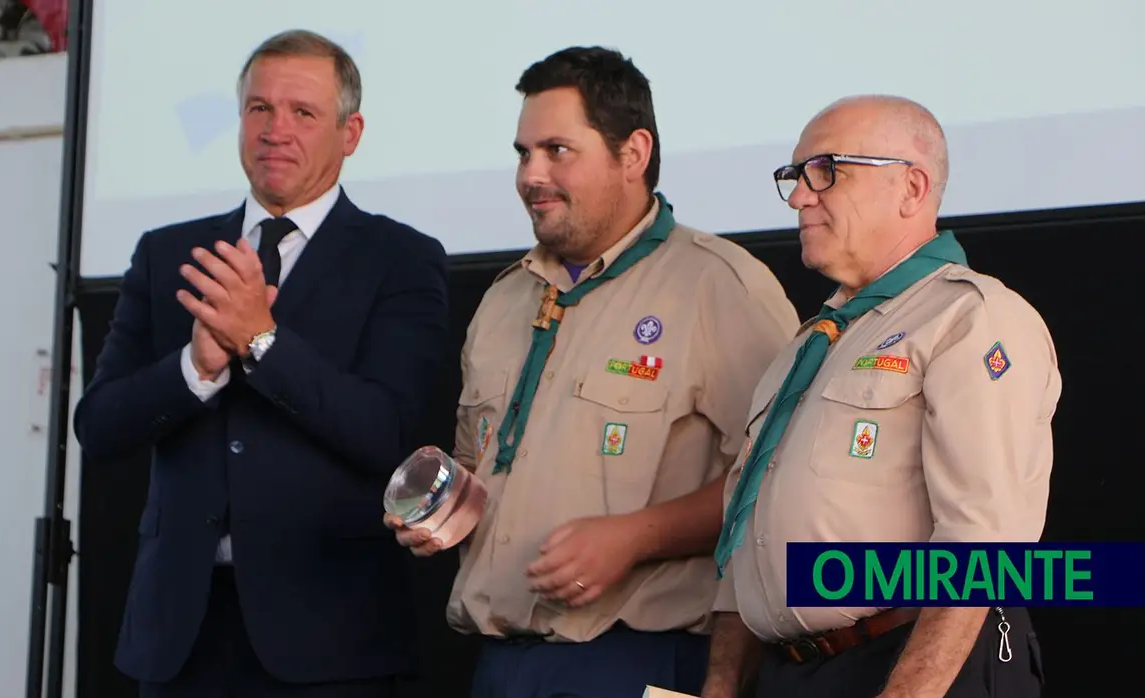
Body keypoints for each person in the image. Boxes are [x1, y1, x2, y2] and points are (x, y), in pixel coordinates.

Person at [385, 46, 800, 698]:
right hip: (501, 663)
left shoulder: (721, 288)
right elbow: (485, 462)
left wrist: (637, 537)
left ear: (632, 154)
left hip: (642, 660)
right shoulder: (504, 298)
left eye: (557, 150)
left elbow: (777, 488)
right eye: (523, 153)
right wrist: (443, 505)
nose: (531, 174)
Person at [74, 30, 449, 698]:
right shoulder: (167, 254)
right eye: (258, 109)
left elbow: (388, 433)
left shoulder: (400, 259)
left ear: (350, 132)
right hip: (177, 639)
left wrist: (262, 343)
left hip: (328, 644)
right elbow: (99, 426)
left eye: (303, 113)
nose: (276, 130)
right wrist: (194, 367)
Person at [702, 95, 1060, 698]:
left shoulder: (972, 318)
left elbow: (983, 544)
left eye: (826, 171)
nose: (798, 197)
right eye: (794, 176)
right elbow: (748, 537)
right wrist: (720, 684)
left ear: (911, 188)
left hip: (909, 664)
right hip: (793, 673)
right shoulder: (809, 345)